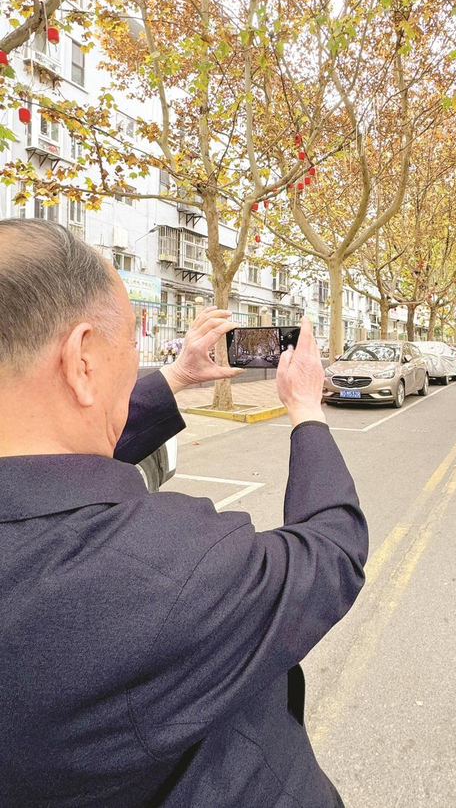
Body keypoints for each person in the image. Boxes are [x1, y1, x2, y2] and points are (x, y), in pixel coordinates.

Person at [0, 219, 368, 807]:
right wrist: (305, 409)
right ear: (83, 360)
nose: (137, 367)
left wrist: (176, 378)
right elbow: (331, 554)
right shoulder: (168, 568)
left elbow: (45, 457)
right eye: (130, 350)